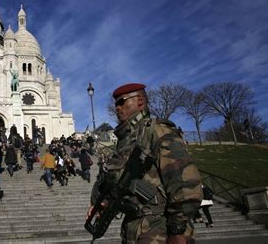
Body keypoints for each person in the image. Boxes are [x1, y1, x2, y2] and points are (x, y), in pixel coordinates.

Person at [86, 83, 202, 244]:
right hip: (133, 227)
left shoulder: (157, 131)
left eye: (122, 102)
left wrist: (177, 231)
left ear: (140, 100)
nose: (117, 107)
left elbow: (185, 183)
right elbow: (120, 185)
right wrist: (104, 203)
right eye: (116, 104)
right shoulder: (124, 142)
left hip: (162, 226)